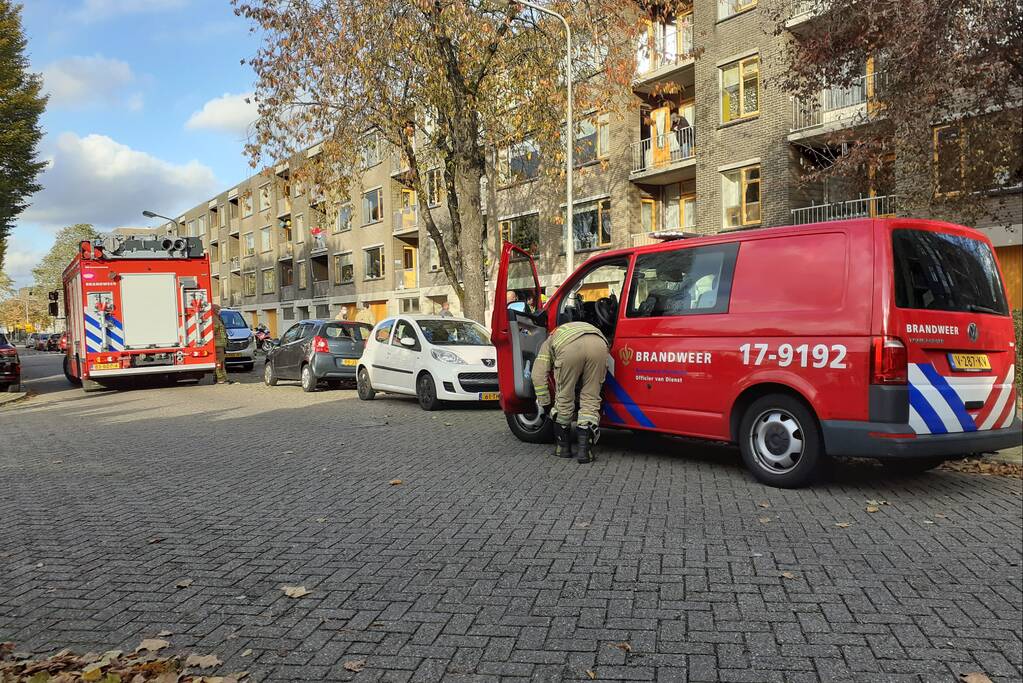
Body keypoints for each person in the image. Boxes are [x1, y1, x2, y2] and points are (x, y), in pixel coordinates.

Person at [531, 321, 609, 464]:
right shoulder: (578, 326)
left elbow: (538, 375)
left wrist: (546, 404)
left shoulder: (549, 341)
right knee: (591, 398)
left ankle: (563, 449)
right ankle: (585, 451)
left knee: (564, 399)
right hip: (599, 344)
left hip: (569, 349)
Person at [212, 305, 232, 385]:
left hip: (221, 344)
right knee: (219, 362)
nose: (220, 311)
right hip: (217, 344)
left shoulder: (217, 318)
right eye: (218, 309)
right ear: (215, 310)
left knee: (222, 362)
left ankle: (224, 378)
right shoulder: (214, 319)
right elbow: (214, 331)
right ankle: (220, 378)